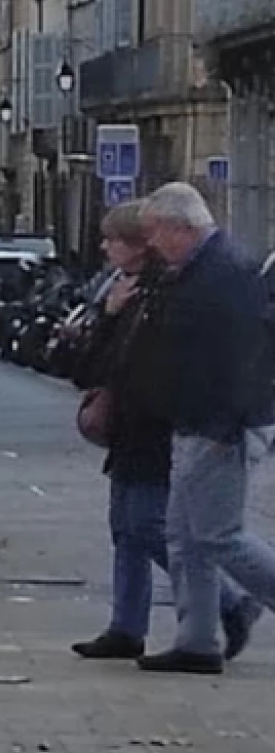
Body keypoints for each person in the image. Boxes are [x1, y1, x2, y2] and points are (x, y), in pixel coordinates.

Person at [69, 201, 258, 660]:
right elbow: (96, 360)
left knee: (165, 527)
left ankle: (231, 605)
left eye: (114, 239)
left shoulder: (173, 284)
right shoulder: (129, 287)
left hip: (163, 422)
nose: (104, 247)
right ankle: (133, 627)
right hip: (139, 421)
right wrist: (107, 317)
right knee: (132, 529)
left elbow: (168, 357)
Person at [127, 183, 275, 674]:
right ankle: (196, 640)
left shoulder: (223, 275)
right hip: (196, 418)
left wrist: (224, 424)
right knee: (184, 535)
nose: (150, 243)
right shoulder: (199, 272)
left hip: (216, 423)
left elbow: (240, 359)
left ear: (180, 227)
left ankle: (208, 632)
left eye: (154, 232)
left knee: (218, 534)